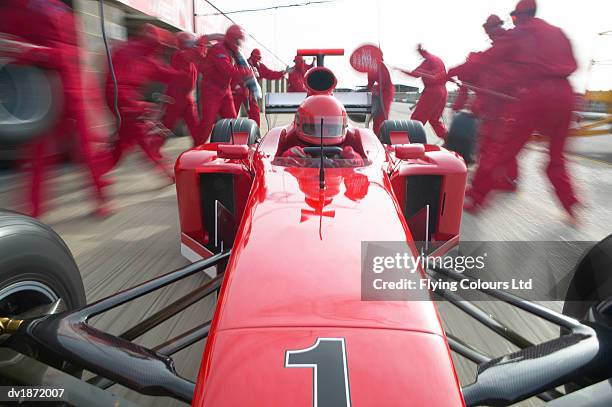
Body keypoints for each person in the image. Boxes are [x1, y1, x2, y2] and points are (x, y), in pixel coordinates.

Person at [464, 0, 580, 223]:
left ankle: (477, 196)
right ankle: (570, 205)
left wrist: (451, 73)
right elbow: (571, 62)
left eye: (515, 18)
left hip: (536, 94)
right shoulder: (558, 32)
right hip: (566, 93)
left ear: (520, 16)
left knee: (503, 149)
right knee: (557, 156)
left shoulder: (520, 33)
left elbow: (488, 60)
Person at [0, 0, 111, 217]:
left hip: (62, 90)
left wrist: (31, 52)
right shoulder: (39, 8)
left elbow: (71, 52)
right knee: (39, 155)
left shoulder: (51, 8)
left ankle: (100, 198)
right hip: (41, 93)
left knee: (84, 148)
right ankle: (35, 210)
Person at [104, 23, 184, 181]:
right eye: (160, 46)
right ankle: (166, 172)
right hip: (122, 99)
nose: (161, 49)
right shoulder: (134, 53)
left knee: (124, 142)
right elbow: (116, 84)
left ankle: (99, 171)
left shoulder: (145, 55)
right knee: (140, 136)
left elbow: (164, 74)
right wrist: (137, 106)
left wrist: (185, 72)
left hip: (123, 99)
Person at [447, 14, 518, 191]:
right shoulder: (489, 57)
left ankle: (506, 179)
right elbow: (467, 90)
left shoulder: (503, 45)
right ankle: (502, 177)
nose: (488, 33)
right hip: (497, 102)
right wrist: (459, 108)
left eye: (488, 29)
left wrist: (450, 72)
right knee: (494, 140)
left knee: (499, 141)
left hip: (507, 102)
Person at [197, 24, 252, 144]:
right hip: (211, 90)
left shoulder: (230, 51)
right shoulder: (219, 49)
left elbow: (234, 70)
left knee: (233, 120)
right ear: (232, 39)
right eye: (238, 41)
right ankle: (196, 149)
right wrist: (247, 73)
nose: (239, 44)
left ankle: (239, 147)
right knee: (208, 122)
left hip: (224, 90)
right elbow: (228, 70)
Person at [277, 95, 364, 163]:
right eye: (314, 128)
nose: (323, 133)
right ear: (299, 124)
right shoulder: (287, 138)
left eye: (330, 129)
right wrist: (286, 160)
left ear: (343, 126)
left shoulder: (353, 139)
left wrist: (354, 160)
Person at [162, 31, 207, 145]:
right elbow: (197, 53)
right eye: (189, 42)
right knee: (168, 125)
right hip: (176, 96)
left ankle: (198, 147)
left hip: (187, 96)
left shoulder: (189, 58)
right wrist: (202, 41)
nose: (192, 44)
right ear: (183, 43)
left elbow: (201, 59)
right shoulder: (180, 54)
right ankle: (154, 147)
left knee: (195, 126)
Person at [399, 44, 448, 140]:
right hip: (443, 91)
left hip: (432, 92)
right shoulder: (437, 59)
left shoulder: (429, 60)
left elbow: (415, 74)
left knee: (416, 120)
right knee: (434, 120)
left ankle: (404, 142)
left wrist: (401, 70)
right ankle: (451, 141)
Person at [233, 48, 286, 126]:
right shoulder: (242, 63)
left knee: (254, 112)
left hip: (250, 93)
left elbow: (270, 74)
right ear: (251, 56)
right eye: (256, 58)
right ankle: (227, 129)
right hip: (239, 91)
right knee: (232, 111)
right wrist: (236, 87)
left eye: (259, 58)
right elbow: (233, 75)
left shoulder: (260, 67)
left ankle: (255, 129)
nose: (257, 60)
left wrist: (282, 73)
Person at [367, 58, 395, 135]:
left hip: (386, 91)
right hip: (379, 91)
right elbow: (370, 83)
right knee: (377, 117)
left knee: (382, 116)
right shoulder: (370, 68)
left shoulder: (381, 66)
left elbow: (385, 81)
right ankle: (376, 135)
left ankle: (384, 135)